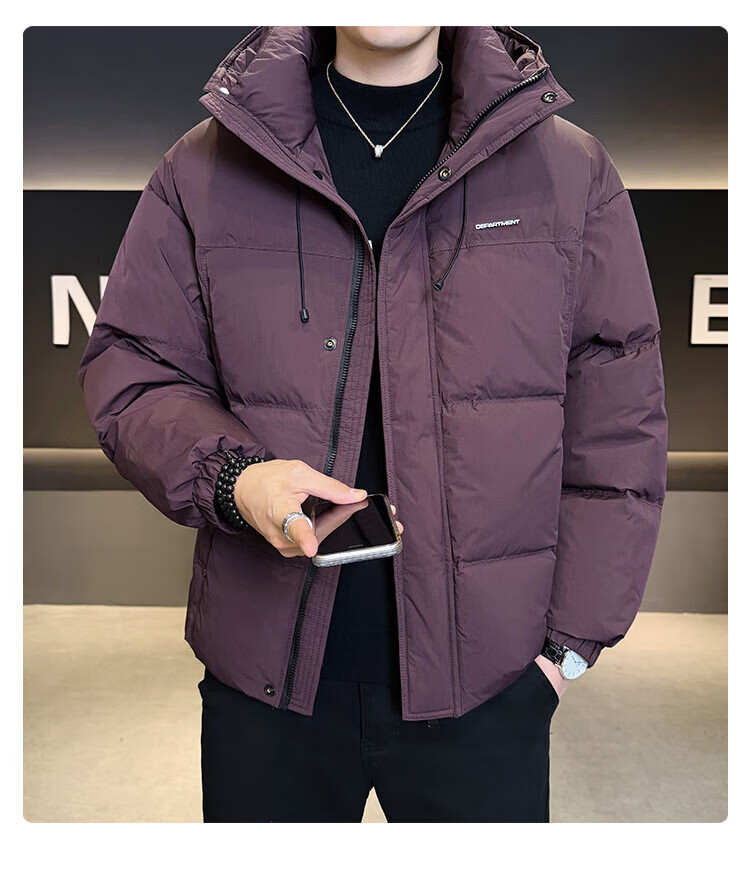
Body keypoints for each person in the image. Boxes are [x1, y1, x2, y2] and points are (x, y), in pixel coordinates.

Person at [78, 26, 668, 822]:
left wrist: (565, 654)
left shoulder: (569, 173)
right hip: (267, 691)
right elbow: (134, 370)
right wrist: (235, 478)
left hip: (491, 694)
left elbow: (619, 431)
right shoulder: (205, 167)